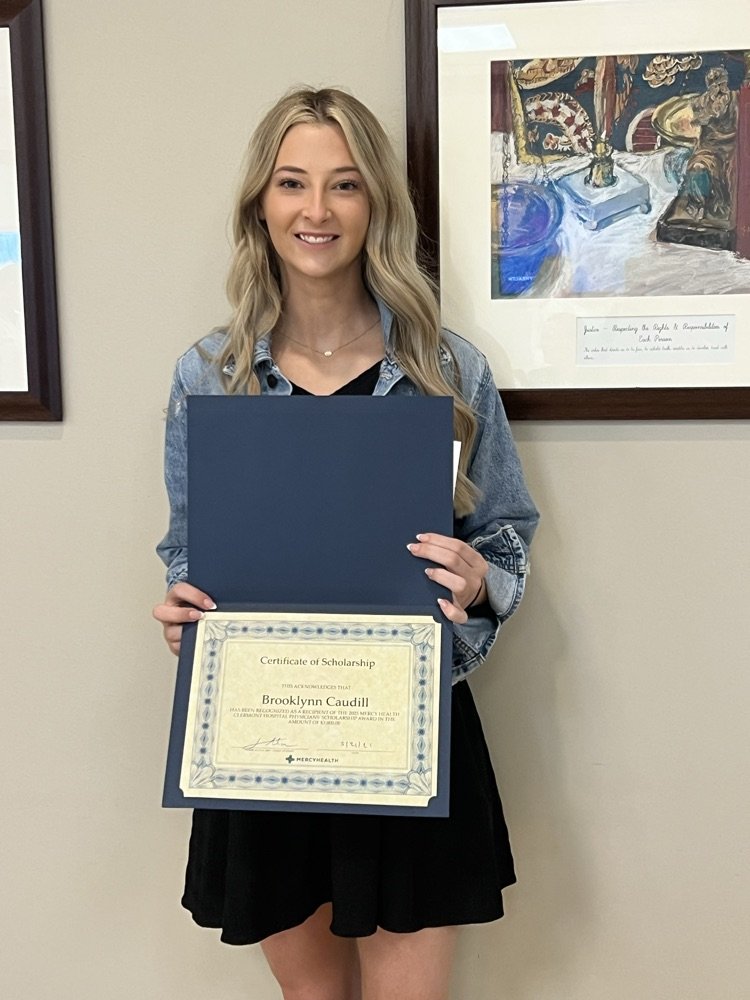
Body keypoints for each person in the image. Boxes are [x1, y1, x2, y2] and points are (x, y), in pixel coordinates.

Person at [153, 87, 539, 1000]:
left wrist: (477, 579)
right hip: (263, 734)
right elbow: (188, 549)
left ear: (376, 205)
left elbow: (506, 538)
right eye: (292, 182)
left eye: (345, 183)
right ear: (261, 203)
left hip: (406, 728)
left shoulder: (447, 368)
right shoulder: (210, 374)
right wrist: (186, 608)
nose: (316, 210)